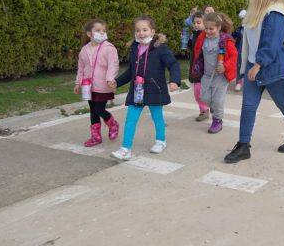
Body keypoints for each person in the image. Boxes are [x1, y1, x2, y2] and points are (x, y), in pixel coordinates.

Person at [224, 0, 284, 164]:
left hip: (273, 67)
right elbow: (248, 41)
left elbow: (272, 42)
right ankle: (243, 146)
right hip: (256, 65)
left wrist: (258, 64)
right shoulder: (258, 10)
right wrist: (247, 66)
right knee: (248, 106)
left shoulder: (275, 12)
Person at [109, 15, 181, 160]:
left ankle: (161, 141)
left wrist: (175, 81)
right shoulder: (134, 48)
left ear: (152, 32)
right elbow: (131, 71)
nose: (141, 33)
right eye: (138, 30)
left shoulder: (160, 48)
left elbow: (173, 64)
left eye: (145, 30)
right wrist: (117, 82)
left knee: (157, 117)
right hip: (137, 91)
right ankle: (125, 149)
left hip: (155, 89)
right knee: (130, 119)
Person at [75, 19, 120, 147]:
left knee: (99, 108)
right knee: (93, 110)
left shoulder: (109, 48)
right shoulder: (84, 50)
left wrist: (110, 79)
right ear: (89, 34)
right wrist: (78, 83)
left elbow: (113, 65)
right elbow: (81, 68)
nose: (102, 33)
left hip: (103, 86)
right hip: (88, 87)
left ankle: (112, 124)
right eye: (98, 31)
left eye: (104, 31)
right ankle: (96, 136)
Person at [192, 12, 238, 134]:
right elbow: (197, 50)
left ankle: (217, 120)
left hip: (221, 76)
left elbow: (234, 56)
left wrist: (225, 66)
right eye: (206, 28)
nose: (208, 31)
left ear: (218, 27)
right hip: (206, 75)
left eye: (211, 29)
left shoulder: (225, 40)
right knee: (203, 97)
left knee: (218, 100)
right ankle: (214, 107)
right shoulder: (202, 37)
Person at [182, 11, 210, 121]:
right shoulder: (194, 34)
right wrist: (188, 41)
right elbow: (191, 48)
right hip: (195, 67)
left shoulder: (207, 35)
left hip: (204, 68)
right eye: (195, 23)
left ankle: (206, 109)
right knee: (197, 91)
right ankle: (203, 110)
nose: (196, 25)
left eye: (199, 22)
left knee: (201, 91)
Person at [233, 9, 247, 91]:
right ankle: (238, 82)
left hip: (249, 51)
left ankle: (249, 83)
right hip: (240, 50)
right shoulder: (239, 29)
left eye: (244, 18)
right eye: (242, 19)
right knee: (239, 65)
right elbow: (233, 37)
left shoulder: (253, 28)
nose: (243, 20)